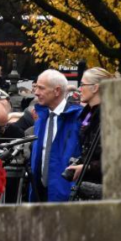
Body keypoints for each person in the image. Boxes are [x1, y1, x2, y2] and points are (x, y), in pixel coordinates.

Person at [25, 69, 82, 202]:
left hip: (66, 197)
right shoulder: (41, 118)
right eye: (36, 87)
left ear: (57, 91)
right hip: (39, 195)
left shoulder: (78, 118)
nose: (36, 92)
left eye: (41, 88)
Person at [63, 67, 118, 187]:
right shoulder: (88, 114)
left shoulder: (111, 116)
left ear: (95, 87)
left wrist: (87, 167)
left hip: (104, 187)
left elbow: (117, 159)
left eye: (82, 84)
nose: (79, 88)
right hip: (88, 185)